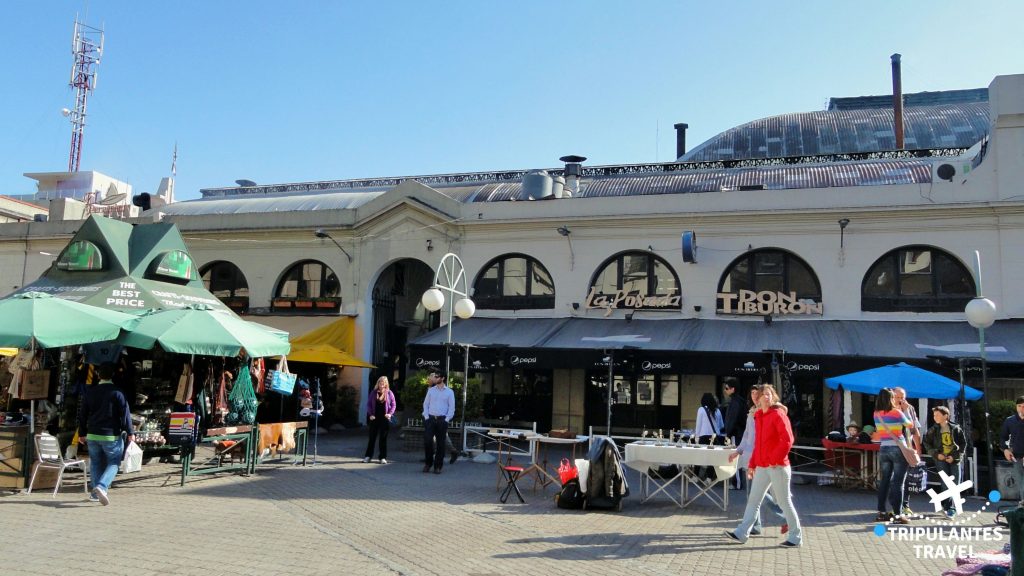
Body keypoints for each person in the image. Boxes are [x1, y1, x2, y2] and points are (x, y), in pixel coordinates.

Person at [724, 384, 803, 547]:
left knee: (784, 502)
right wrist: (753, 464)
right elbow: (757, 444)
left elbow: (788, 440)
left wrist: (774, 459)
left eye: (769, 394)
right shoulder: (758, 415)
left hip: (778, 466)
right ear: (758, 399)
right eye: (763, 395)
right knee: (753, 500)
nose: (766, 397)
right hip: (762, 466)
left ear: (773, 397)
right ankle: (741, 532)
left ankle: (796, 537)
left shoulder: (778, 414)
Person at [728, 384, 788, 535]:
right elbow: (747, 436)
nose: (754, 396)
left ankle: (783, 517)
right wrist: (738, 451)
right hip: (751, 458)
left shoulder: (768, 411)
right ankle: (756, 526)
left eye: (757, 393)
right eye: (752, 393)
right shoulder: (752, 412)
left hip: (763, 460)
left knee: (756, 495)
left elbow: (783, 413)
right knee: (752, 495)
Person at [77, 363, 134, 506]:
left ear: (97, 375)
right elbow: (125, 414)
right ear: (113, 375)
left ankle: (95, 495)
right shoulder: (118, 392)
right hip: (111, 435)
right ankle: (102, 486)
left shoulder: (90, 392)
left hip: (92, 435)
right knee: (114, 462)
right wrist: (130, 432)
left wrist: (82, 433)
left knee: (95, 463)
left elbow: (82, 414)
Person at [873, 387, 914, 524]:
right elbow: (910, 424)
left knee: (884, 481)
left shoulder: (876, 413)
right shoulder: (896, 412)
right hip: (898, 448)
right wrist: (906, 410)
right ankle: (898, 514)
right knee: (898, 483)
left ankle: (881, 512)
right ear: (891, 398)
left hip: (884, 448)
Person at [923, 406, 967, 518]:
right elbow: (926, 443)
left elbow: (963, 444)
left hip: (954, 458)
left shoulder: (956, 428)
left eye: (937, 415)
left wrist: (955, 456)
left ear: (945, 416)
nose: (935, 417)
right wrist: (936, 454)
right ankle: (948, 507)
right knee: (946, 482)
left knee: (955, 482)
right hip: (940, 458)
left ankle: (946, 505)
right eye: (934, 415)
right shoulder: (933, 429)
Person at [892, 387, 922, 516]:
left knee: (905, 478)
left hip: (907, 448)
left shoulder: (910, 408)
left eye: (902, 397)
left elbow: (915, 430)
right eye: (897, 397)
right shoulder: (888, 409)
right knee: (894, 479)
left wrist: (918, 450)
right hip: (893, 447)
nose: (900, 400)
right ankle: (895, 506)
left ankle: (905, 505)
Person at [422, 370, 455, 474]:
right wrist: (426, 417)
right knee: (428, 441)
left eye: (437, 376)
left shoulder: (449, 392)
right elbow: (425, 404)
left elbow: (452, 408)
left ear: (443, 378)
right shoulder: (431, 390)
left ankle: (438, 466)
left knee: (441, 444)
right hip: (431, 419)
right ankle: (428, 463)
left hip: (442, 420)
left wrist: (446, 420)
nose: (435, 378)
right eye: (435, 377)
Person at [363, 376, 396, 464]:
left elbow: (393, 405)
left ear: (386, 384)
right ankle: (368, 456)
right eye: (380, 382)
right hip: (375, 418)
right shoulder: (373, 393)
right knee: (372, 438)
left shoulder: (389, 393)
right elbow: (369, 404)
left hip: (385, 418)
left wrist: (390, 414)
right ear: (378, 383)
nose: (381, 384)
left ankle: (382, 457)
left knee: (383, 439)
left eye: (383, 383)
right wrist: (370, 414)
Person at [999, 396, 1024, 507]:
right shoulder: (1010, 421)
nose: (1022, 409)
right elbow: (1002, 438)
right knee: (1021, 483)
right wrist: (1005, 450)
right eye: (1019, 406)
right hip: (1016, 457)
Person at [721, 380, 746, 445]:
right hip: (739, 434)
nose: (725, 390)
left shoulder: (735, 402)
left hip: (736, 435)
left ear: (733, 389)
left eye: (727, 388)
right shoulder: (739, 401)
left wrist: (728, 434)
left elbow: (732, 419)